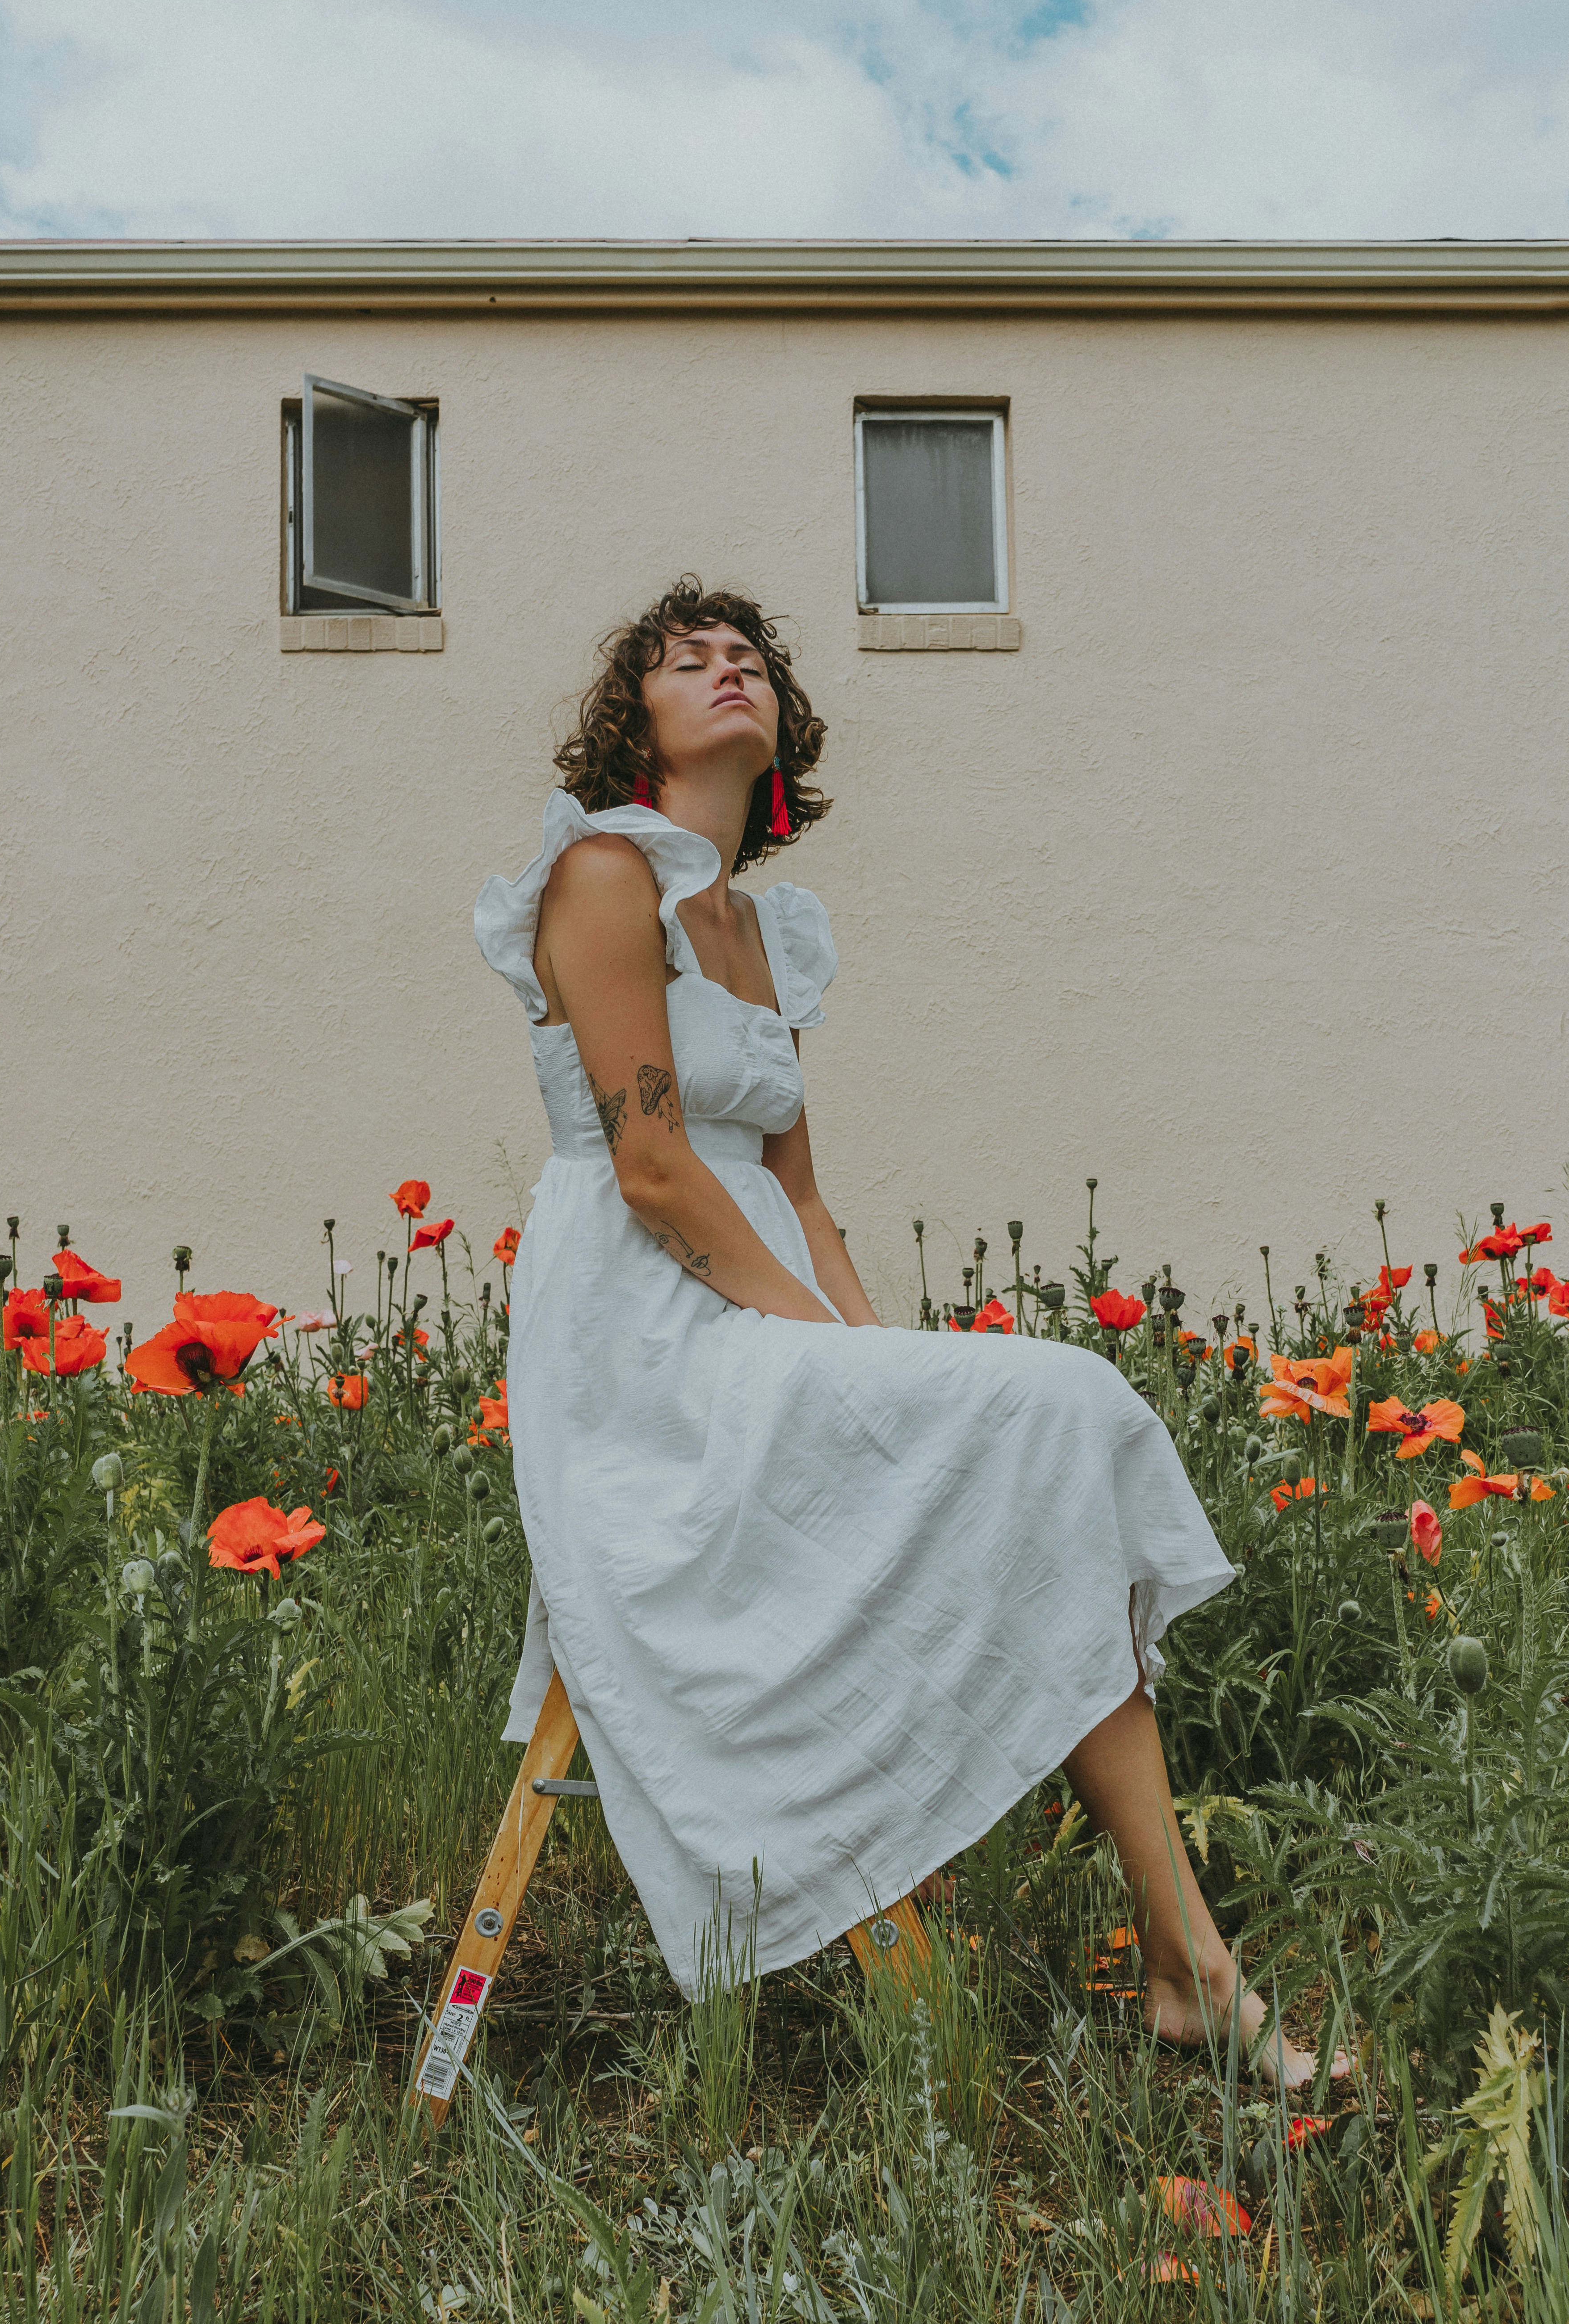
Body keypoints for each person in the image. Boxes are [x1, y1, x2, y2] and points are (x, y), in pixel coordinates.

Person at [474, 576, 1343, 2090]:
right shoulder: (601, 875)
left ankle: (1185, 1960)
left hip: (759, 1305)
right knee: (1062, 1401)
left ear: (782, 727)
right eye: (690, 661)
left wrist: (866, 1348)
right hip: (640, 1343)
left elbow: (803, 1191)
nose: (728, 670)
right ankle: (1188, 1966)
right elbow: (655, 1165)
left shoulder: (761, 926)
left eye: (749, 657)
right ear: (639, 720)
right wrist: (825, 1349)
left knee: (1047, 1440)